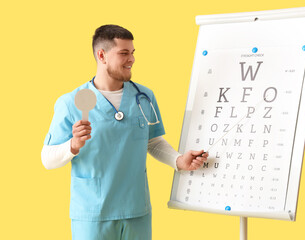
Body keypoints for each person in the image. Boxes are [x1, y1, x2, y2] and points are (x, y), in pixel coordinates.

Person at [41, 24, 208, 240]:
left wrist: (178, 160)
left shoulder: (144, 97)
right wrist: (72, 146)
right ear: (102, 55)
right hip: (93, 213)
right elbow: (47, 159)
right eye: (124, 53)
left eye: (132, 53)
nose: (132, 59)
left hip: (136, 210)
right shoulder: (70, 102)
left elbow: (152, 142)